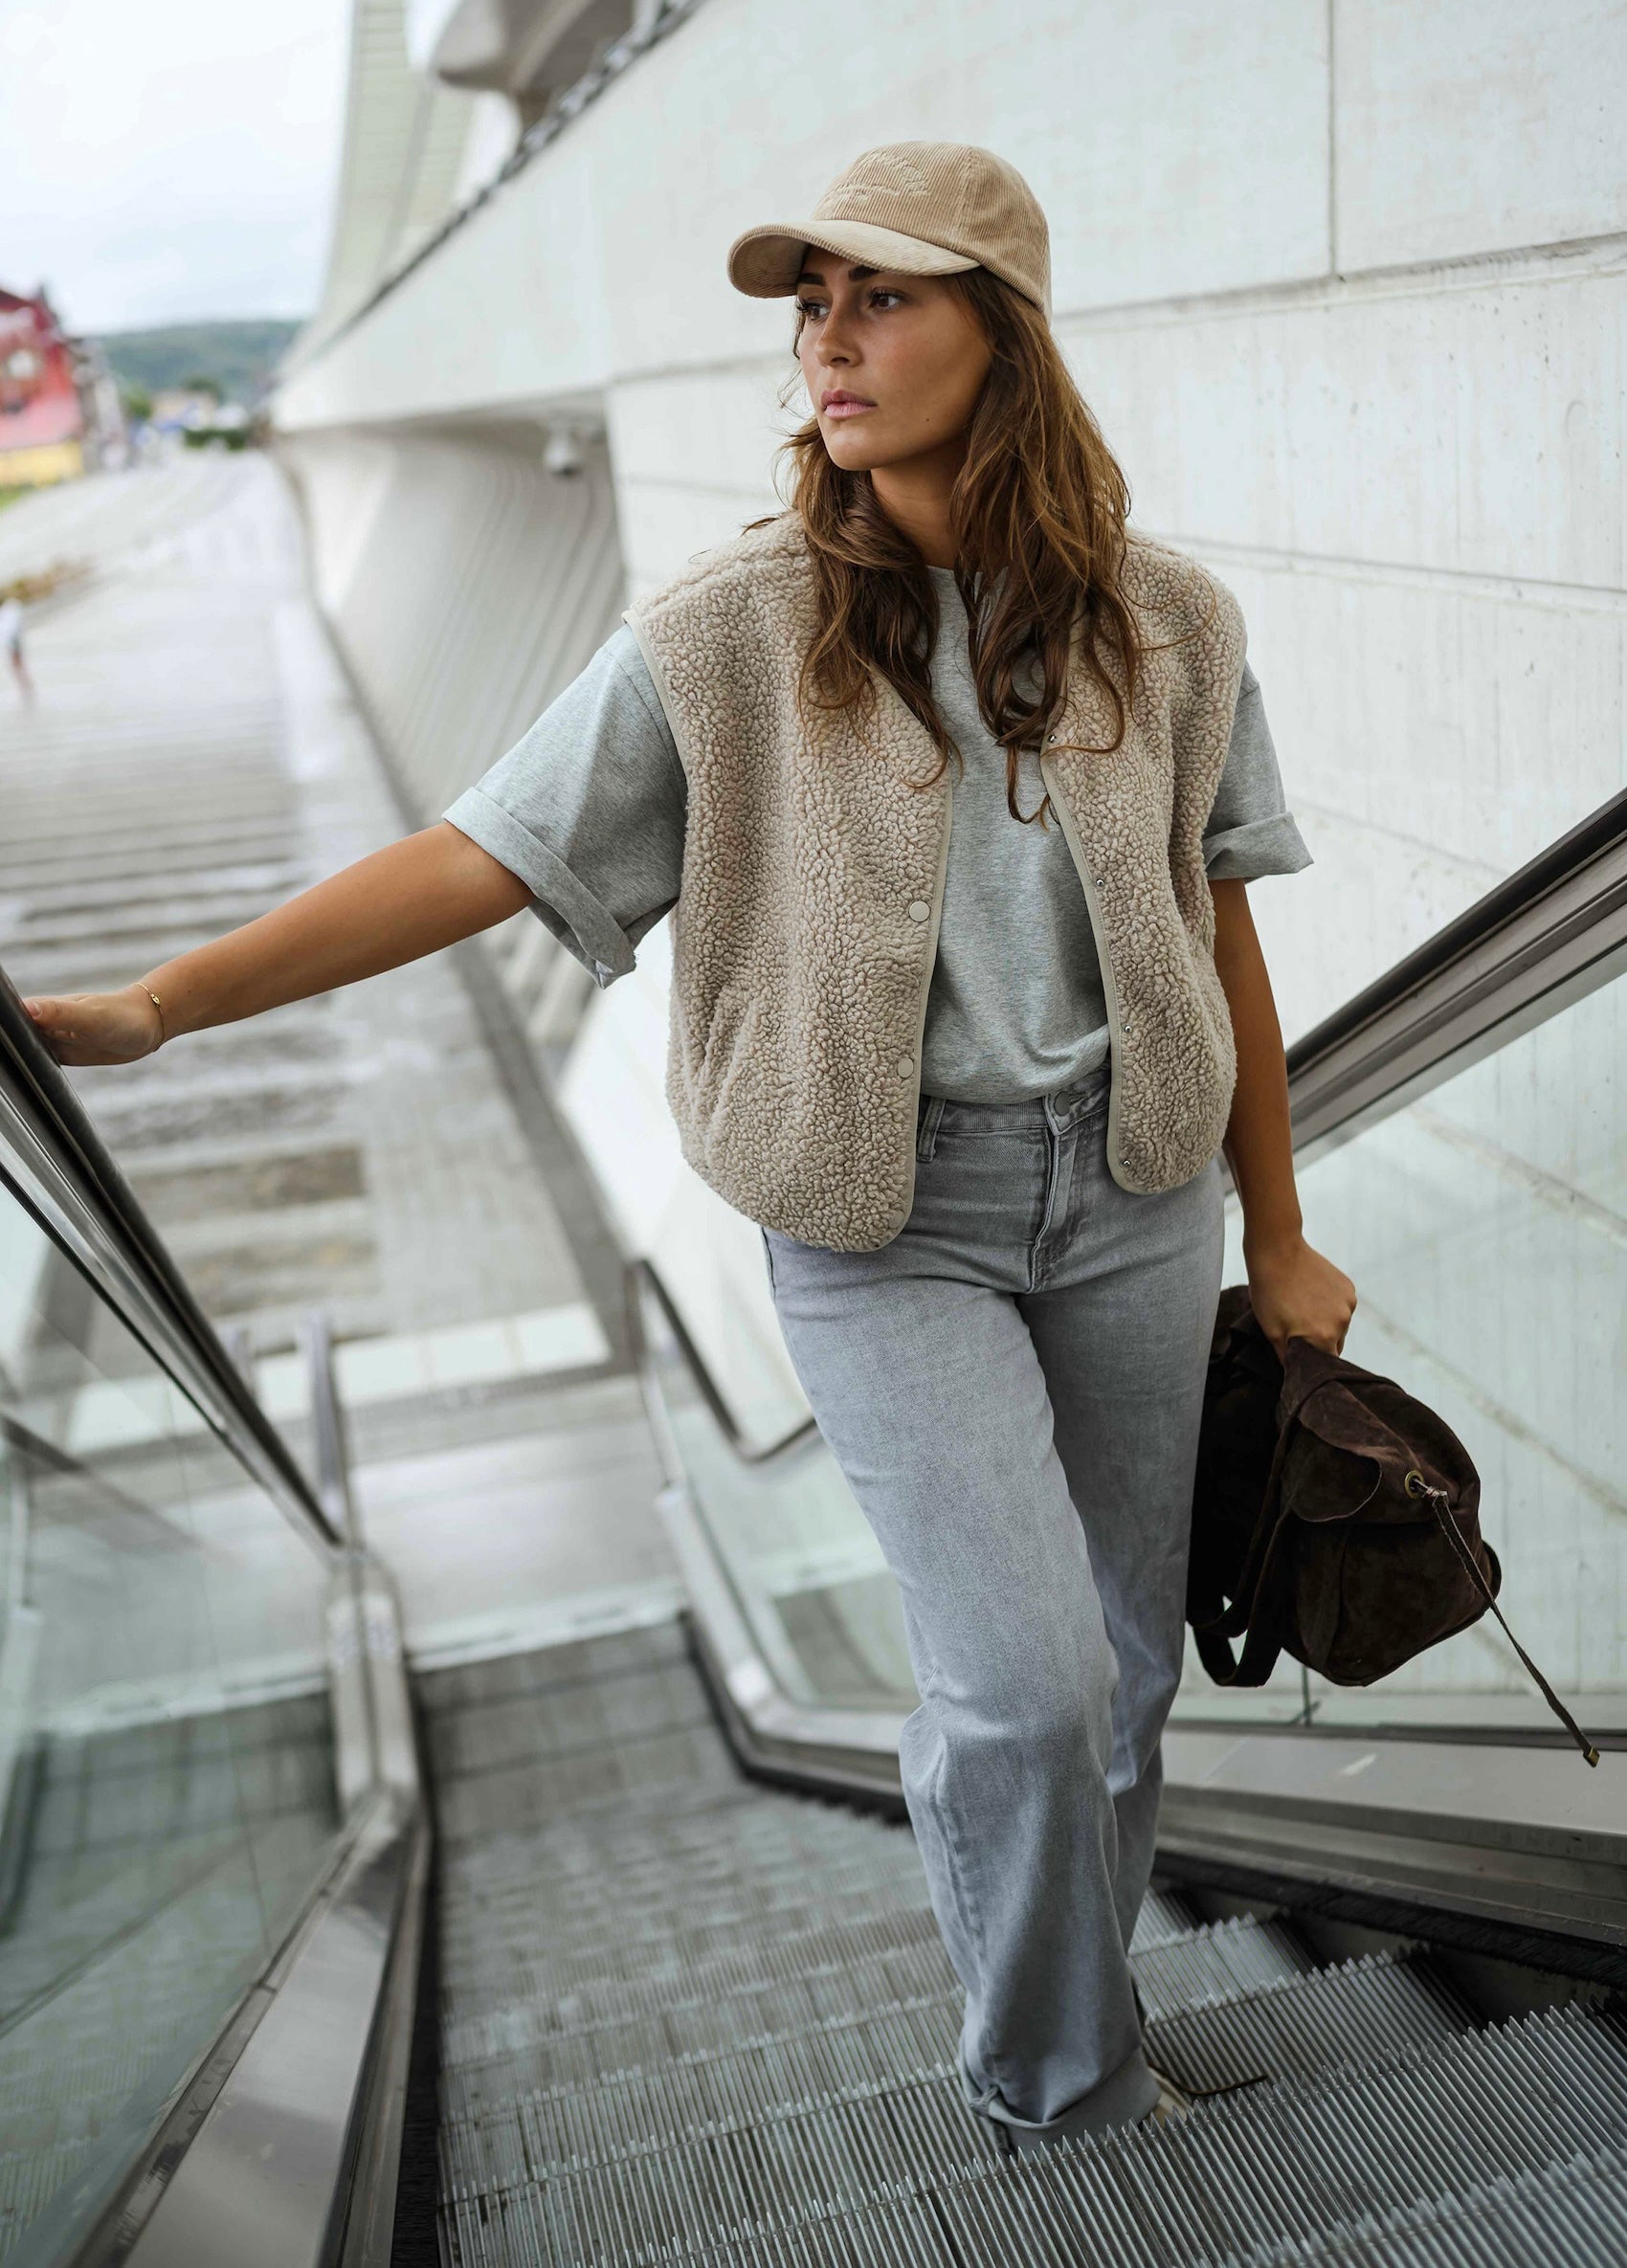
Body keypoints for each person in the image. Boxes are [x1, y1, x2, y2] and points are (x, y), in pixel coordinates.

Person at [22, 142, 1354, 2150]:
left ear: (1006, 331)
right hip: (878, 1221)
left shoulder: (1169, 621)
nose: (828, 335)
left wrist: (1280, 1230)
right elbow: (478, 857)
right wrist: (158, 1007)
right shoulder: (732, 629)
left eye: (881, 296)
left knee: (1123, 1671)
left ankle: (1080, 2028)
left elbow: (1219, 928)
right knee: (1018, 1690)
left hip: (1138, 1196)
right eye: (809, 301)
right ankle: (1061, 2094)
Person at [0, 590, 31, 701]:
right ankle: (25, 686)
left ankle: (25, 687)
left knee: (17, 665)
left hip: (13, 641)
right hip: (14, 640)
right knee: (18, 666)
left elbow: (9, 629)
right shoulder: (11, 608)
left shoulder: (8, 609)